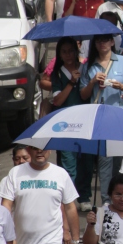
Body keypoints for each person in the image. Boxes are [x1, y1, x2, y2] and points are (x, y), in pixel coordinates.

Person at [0, 147, 80, 244]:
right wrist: (10, 237)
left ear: (50, 150)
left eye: (44, 149)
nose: (40, 152)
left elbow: (70, 207)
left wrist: (75, 241)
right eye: (35, 149)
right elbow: (6, 207)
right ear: (29, 150)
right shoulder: (15, 173)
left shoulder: (60, 174)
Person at [79, 34, 123, 204]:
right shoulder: (88, 65)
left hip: (120, 116)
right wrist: (92, 82)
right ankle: (107, 200)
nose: (102, 43)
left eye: (106, 40)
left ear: (112, 42)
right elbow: (83, 95)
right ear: (95, 44)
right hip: (99, 117)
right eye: (98, 40)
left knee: (121, 160)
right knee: (104, 160)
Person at [51, 37, 88, 184]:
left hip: (84, 120)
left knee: (86, 159)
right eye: (64, 52)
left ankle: (84, 196)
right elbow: (58, 100)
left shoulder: (84, 69)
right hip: (64, 123)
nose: (68, 55)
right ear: (59, 55)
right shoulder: (58, 74)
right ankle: (68, 198)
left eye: (71, 51)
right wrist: (72, 82)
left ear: (76, 51)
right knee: (68, 160)